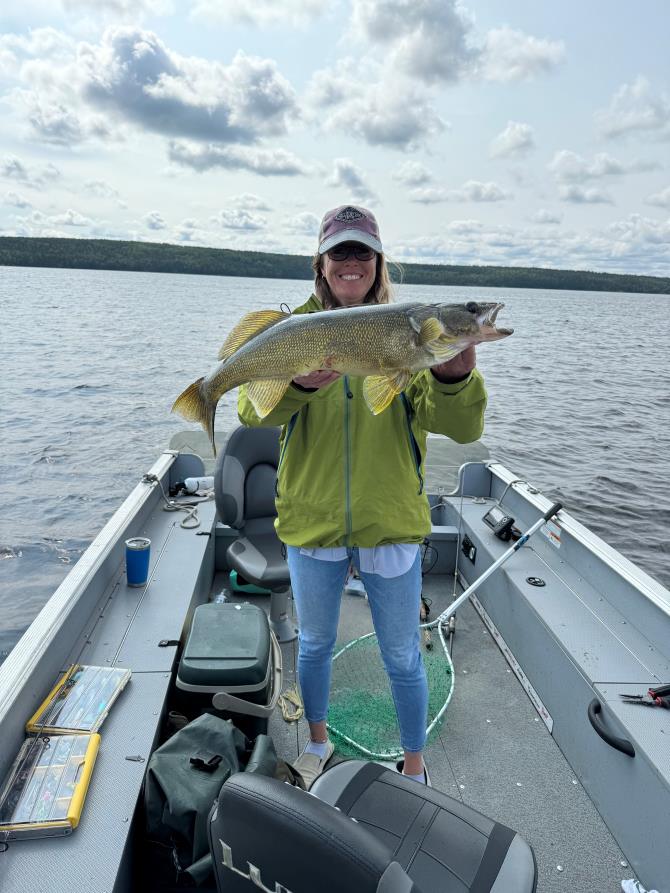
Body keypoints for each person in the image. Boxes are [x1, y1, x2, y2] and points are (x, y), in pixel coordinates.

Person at [238, 205, 487, 788]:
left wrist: (454, 379)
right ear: (321, 265)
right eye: (340, 252)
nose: (352, 263)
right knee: (317, 642)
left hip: (390, 519)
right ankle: (318, 744)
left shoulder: (411, 328)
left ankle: (415, 764)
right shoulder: (293, 327)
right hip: (313, 518)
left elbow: (463, 430)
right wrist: (297, 385)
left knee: (402, 654)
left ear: (379, 264)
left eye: (363, 253)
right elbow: (252, 409)